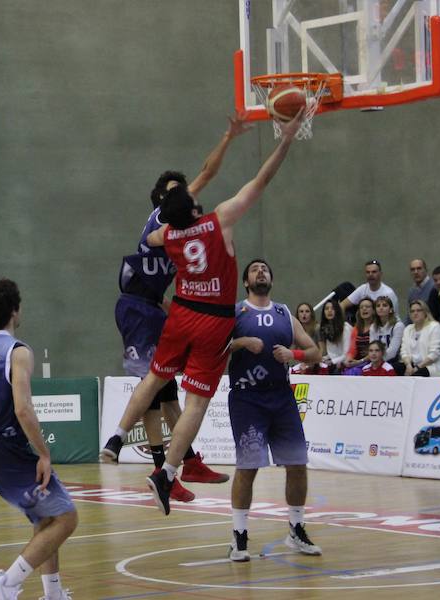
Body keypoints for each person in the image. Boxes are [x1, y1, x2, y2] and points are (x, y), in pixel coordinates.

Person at [100, 109, 305, 516]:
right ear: (193, 207)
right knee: (195, 404)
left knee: (155, 378)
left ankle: (117, 437)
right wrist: (284, 140)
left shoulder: (165, 233)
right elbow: (261, 181)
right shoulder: (219, 220)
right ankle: (167, 472)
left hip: (180, 314)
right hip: (212, 319)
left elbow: (153, 238)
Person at [109, 117, 252, 495]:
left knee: (165, 389)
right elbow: (207, 171)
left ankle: (181, 464)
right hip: (137, 306)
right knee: (155, 385)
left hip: (155, 307)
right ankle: (150, 458)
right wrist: (228, 137)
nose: (189, 192)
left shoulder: (174, 232)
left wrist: (180, 306)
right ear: (164, 199)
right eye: (179, 190)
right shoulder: (166, 219)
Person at [0, 279, 77, 600]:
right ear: (15, 311)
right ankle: (7, 582)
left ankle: (53, 594)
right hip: (9, 447)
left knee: (46, 516)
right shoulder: (17, 351)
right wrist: (44, 454)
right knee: (67, 518)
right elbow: (23, 409)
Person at [226, 259, 322, 561]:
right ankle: (238, 537)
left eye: (265, 269)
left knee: (297, 464)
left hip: (281, 397)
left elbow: (315, 352)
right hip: (247, 399)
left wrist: (292, 354)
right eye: (254, 269)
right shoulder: (237, 312)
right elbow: (214, 347)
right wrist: (242, 342)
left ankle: (296, 529)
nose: (261, 272)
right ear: (245, 282)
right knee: (248, 467)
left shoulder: (284, 313)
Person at [400, 300, 440, 376]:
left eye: (419, 310)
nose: (415, 313)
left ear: (425, 312)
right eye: (412, 311)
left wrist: (418, 367)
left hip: (431, 366)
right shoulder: (408, 329)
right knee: (395, 368)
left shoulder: (434, 327)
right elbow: (404, 351)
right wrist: (408, 365)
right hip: (413, 365)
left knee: (416, 374)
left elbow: (434, 354)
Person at [371, 295, 404, 371]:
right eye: (378, 306)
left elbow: (392, 351)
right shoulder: (373, 327)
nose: (381, 308)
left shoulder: (398, 326)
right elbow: (372, 348)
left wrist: (377, 361)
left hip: (396, 361)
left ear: (391, 310)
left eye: (384, 305)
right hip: (378, 361)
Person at [318, 299, 352, 374]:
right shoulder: (325, 328)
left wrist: (332, 362)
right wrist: (323, 359)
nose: (329, 311)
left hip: (345, 363)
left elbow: (346, 354)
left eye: (332, 308)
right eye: (327, 309)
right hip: (332, 362)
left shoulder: (345, 328)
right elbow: (331, 354)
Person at [342, 298, 376, 373]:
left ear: (373, 311)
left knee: (354, 372)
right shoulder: (356, 329)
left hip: (371, 361)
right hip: (357, 361)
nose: (364, 309)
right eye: (361, 307)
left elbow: (375, 351)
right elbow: (352, 349)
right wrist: (349, 359)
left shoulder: (376, 328)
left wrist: (359, 361)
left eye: (367, 307)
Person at [405, 259, 433, 325]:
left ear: (426, 270)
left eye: (419, 268)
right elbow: (409, 316)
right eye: (413, 270)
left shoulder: (434, 288)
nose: (416, 272)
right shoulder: (412, 291)